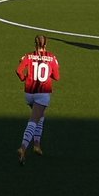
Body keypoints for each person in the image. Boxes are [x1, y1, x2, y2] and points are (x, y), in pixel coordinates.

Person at [14, 34, 60, 164]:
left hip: (29, 93)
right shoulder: (51, 57)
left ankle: (37, 145)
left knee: (40, 116)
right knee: (34, 120)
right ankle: (23, 148)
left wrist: (24, 78)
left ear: (35, 44)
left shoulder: (28, 56)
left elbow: (18, 71)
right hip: (43, 93)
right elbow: (57, 77)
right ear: (46, 44)